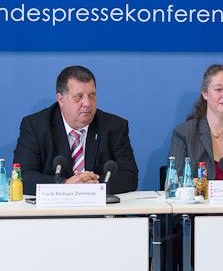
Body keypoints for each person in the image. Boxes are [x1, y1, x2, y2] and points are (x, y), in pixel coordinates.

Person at [13, 65, 138, 195]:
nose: (87, 103)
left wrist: (93, 186)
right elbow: (23, 176)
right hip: (53, 212)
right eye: (78, 97)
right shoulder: (36, 126)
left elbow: (130, 176)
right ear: (61, 99)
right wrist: (65, 185)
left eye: (92, 95)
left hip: (101, 212)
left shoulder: (114, 126)